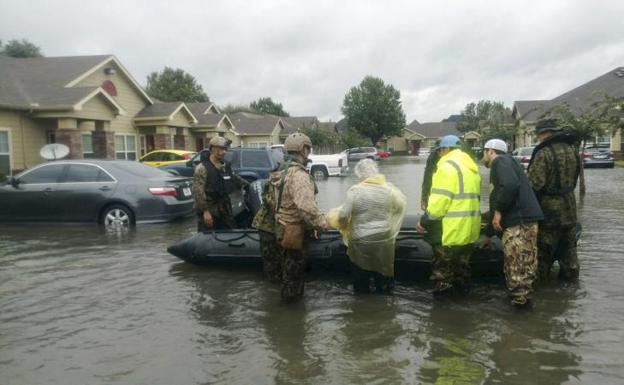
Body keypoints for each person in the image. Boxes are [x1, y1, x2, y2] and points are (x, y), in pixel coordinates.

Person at [327, 159, 406, 293]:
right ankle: (384, 295)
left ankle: (362, 298)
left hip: (361, 240)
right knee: (383, 270)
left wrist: (343, 226)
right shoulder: (389, 190)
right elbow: (400, 207)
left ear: (360, 175)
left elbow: (344, 215)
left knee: (360, 272)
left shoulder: (355, 191)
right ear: (376, 172)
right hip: (384, 239)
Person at [481, 138, 544, 307]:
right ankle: (523, 304)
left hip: (519, 223)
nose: (483, 156)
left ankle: (520, 308)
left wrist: (500, 211)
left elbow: (510, 185)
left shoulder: (500, 161)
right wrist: (488, 234)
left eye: (484, 151)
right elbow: (497, 200)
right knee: (524, 264)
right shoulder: (509, 163)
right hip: (524, 221)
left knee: (518, 265)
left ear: (491, 151)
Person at [416, 135, 481, 297]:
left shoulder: (446, 167)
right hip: (468, 230)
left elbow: (438, 204)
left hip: (449, 232)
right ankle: (464, 303)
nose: (438, 155)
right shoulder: (471, 168)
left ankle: (442, 315)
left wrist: (424, 221)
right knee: (463, 271)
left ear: (445, 150)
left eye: (439, 151)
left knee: (443, 275)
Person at [273, 133, 328, 303]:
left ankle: (288, 309)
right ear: (304, 150)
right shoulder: (300, 176)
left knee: (288, 273)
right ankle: (291, 313)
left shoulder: (282, 171)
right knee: (294, 277)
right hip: (294, 232)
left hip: (282, 228)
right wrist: (322, 224)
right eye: (308, 149)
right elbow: (306, 208)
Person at [527, 118, 581, 281]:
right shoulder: (572, 149)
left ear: (543, 134)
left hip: (549, 213)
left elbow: (535, 184)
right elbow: (574, 179)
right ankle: (570, 292)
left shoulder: (543, 153)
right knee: (569, 254)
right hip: (570, 208)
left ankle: (543, 295)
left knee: (543, 255)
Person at [192, 136, 249, 231]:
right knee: (209, 237)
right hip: (210, 210)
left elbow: (234, 178)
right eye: (221, 149)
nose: (224, 152)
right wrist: (205, 212)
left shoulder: (225, 165)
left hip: (225, 208)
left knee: (230, 233)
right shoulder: (202, 168)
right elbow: (198, 192)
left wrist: (248, 185)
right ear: (213, 149)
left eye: (225, 149)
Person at [252, 164, 284, 284]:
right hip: (267, 226)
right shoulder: (268, 185)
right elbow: (270, 203)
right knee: (270, 258)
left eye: (277, 174)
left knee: (279, 257)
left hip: (279, 226)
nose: (274, 177)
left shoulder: (287, 184)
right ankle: (271, 284)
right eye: (272, 175)